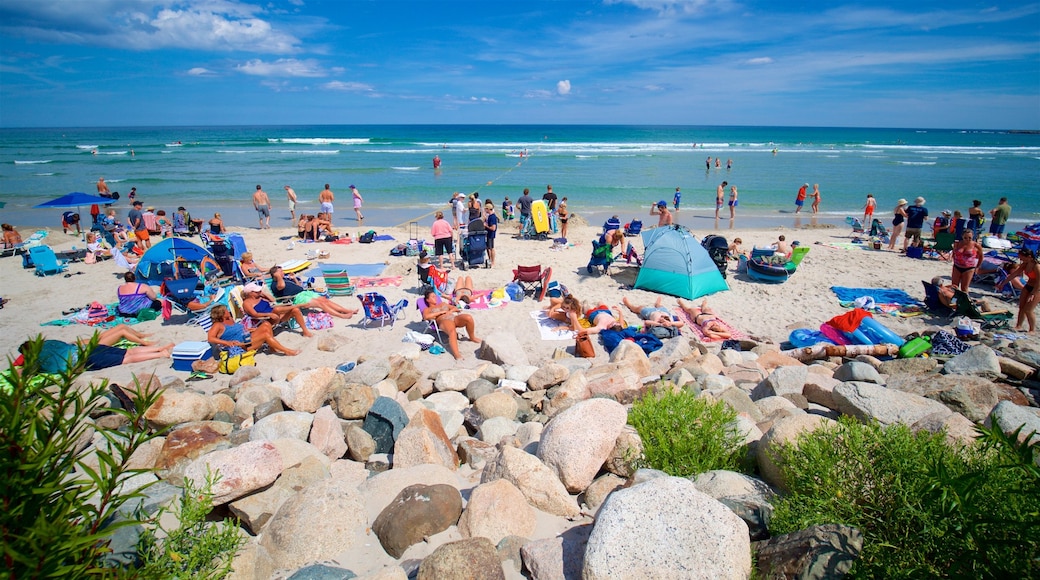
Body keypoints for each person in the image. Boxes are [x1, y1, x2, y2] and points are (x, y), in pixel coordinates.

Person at [20, 326, 174, 373]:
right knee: (128, 352)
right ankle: (160, 348)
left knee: (127, 359)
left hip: (84, 359)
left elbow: (24, 371)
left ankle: (160, 354)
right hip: (88, 348)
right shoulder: (49, 343)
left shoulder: (39, 360)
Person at [207, 304, 300, 357]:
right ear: (222, 314)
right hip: (241, 346)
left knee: (266, 325)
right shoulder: (218, 325)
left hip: (247, 338)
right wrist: (227, 343)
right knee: (265, 335)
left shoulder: (230, 320)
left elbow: (236, 331)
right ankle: (287, 351)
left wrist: (248, 329)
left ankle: (272, 348)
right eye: (226, 310)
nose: (228, 311)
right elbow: (210, 338)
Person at [268, 266, 358, 319]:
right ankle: (341, 315)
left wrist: (294, 278)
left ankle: (347, 310)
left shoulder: (285, 279)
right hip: (297, 298)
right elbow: (281, 287)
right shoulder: (275, 284)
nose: (283, 272)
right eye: (281, 272)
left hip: (304, 292)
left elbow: (299, 286)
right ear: (275, 274)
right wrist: (278, 276)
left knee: (324, 300)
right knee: (320, 304)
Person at [421, 289, 481, 360]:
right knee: (452, 332)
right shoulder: (427, 309)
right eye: (433, 297)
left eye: (435, 296)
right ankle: (457, 354)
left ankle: (472, 337)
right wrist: (440, 313)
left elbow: (456, 308)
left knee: (468, 318)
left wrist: (450, 311)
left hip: (454, 318)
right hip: (444, 321)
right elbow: (425, 317)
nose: (435, 298)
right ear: (428, 300)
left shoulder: (443, 304)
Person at [240, 281, 312, 336]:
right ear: (250, 293)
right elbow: (254, 314)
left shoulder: (260, 297)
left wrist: (264, 294)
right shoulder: (246, 303)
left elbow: (273, 300)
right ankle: (298, 305)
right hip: (267, 320)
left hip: (276, 316)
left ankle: (305, 332)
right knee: (276, 309)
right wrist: (269, 314)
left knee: (295, 311)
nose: (259, 292)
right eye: (257, 291)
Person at [997, 249, 1040, 332]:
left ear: (1029, 257)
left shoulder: (1036, 266)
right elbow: (1014, 274)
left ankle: (1032, 330)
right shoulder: (1025, 264)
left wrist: (1033, 293)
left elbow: (1039, 282)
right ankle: (1018, 325)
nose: (1021, 260)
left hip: (1037, 289)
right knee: (1021, 307)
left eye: (1022, 258)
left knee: (1028, 310)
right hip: (1028, 286)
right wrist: (1002, 283)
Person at [484, 201, 498, 267]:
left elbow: (493, 228)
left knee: (491, 248)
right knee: (488, 247)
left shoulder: (492, 217)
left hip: (491, 234)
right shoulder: (490, 216)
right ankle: (490, 260)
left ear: (488, 209)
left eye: (486, 209)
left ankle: (492, 261)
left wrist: (486, 226)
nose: (485, 210)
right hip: (488, 233)